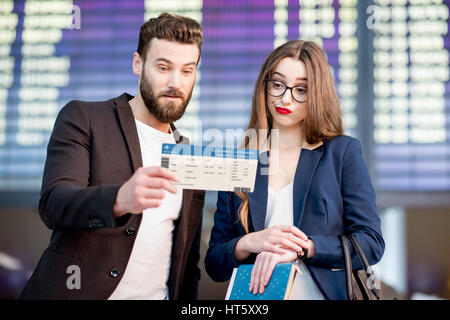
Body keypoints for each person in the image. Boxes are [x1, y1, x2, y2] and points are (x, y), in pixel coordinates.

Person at [19, 13, 205, 300]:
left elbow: (186, 263)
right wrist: (119, 200)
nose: (175, 83)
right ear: (138, 64)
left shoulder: (189, 153)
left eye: (187, 70)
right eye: (163, 67)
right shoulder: (84, 118)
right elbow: (54, 204)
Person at [205, 40, 385, 300]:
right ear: (264, 87)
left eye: (301, 89)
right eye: (277, 84)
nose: (286, 98)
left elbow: (371, 243)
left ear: (317, 95)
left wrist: (305, 247)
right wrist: (248, 243)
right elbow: (214, 263)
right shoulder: (240, 158)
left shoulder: (341, 152)